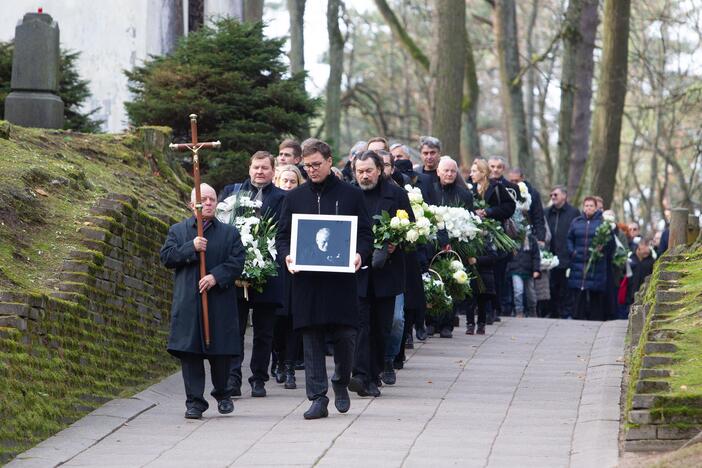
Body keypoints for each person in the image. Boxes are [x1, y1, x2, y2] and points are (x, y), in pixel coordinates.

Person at [276, 138, 373, 420]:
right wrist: (287, 257)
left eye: (316, 164)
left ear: (330, 161)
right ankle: (317, 397)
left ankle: (341, 381)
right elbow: (283, 236)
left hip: (342, 281)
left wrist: (359, 255)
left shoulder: (352, 195)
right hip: (307, 281)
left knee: (345, 337)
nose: (312, 170)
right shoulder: (294, 197)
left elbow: (366, 234)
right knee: (312, 337)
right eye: (307, 166)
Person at [160, 184, 246, 419]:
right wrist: (191, 247)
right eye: (202, 200)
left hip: (218, 301)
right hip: (189, 302)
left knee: (220, 353)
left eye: (211, 199)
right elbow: (167, 257)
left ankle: (223, 393)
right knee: (191, 354)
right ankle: (195, 402)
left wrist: (215, 277)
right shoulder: (178, 231)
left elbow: (237, 262)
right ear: (191, 205)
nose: (208, 203)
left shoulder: (229, 233)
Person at [221, 151, 287, 398]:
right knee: (234, 328)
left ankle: (258, 378)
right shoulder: (232, 192)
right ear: (249, 168)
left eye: (265, 168)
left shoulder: (282, 198)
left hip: (268, 272)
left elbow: (283, 231)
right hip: (236, 270)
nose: (260, 172)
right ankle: (232, 378)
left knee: (264, 331)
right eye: (256, 167)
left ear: (273, 171)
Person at [351, 150, 412, 396]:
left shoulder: (396, 194)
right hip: (358, 272)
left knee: (381, 327)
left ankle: (373, 374)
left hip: (387, 273)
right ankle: (360, 375)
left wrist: (397, 242)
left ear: (380, 170)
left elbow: (411, 230)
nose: (364, 176)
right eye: (359, 172)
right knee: (360, 325)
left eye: (368, 171)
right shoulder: (350, 194)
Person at [271, 164, 304, 390]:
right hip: (277, 266)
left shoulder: (303, 203)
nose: (289, 185)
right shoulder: (274, 202)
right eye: (286, 181)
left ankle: (290, 366)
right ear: (278, 182)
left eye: (293, 181)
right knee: (277, 319)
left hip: (299, 267)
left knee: (294, 319)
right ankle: (278, 360)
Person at [470, 159, 516, 324]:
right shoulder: (469, 188)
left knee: (495, 274)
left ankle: (493, 309)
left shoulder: (496, 187)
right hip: (476, 236)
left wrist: (489, 212)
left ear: (482, 173)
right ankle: (480, 309)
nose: (471, 174)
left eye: (475, 171)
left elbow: (510, 207)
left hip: (494, 236)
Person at [435, 156, 474, 338]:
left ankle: (447, 325)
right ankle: (431, 321)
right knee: (433, 281)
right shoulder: (430, 190)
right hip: (433, 243)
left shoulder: (464, 194)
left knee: (451, 283)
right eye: (446, 170)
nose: (449, 174)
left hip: (455, 244)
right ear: (438, 172)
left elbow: (469, 220)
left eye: (452, 171)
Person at [567, 196, 614, 321]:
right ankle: (578, 317)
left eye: (591, 206)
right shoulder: (576, 222)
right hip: (579, 262)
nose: (588, 208)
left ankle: (595, 319)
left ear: (596, 207)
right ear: (583, 207)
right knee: (579, 291)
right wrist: (573, 252)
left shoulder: (603, 223)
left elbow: (610, 242)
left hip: (595, 263)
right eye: (586, 205)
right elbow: (569, 238)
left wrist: (602, 248)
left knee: (595, 292)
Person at [487, 156, 521, 318]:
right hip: (482, 234)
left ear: (503, 168)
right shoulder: (479, 183)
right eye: (492, 166)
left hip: (501, 235)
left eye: (499, 167)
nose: (495, 170)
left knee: (500, 274)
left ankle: (497, 307)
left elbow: (513, 210)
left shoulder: (510, 187)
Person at [544, 186, 580, 319]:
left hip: (567, 257)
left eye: (555, 195)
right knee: (552, 287)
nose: (553, 197)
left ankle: (566, 313)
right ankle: (553, 312)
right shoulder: (547, 212)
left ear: (564, 196)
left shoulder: (574, 212)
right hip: (550, 257)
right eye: (551, 195)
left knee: (566, 287)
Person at [507, 168, 546, 244]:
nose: (514, 184)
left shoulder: (532, 193)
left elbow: (538, 216)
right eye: (512, 181)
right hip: (510, 233)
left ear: (522, 179)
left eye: (517, 181)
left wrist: (540, 238)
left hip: (528, 232)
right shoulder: (506, 191)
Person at [507, 231, 541, 318]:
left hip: (529, 270)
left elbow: (536, 256)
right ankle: (519, 311)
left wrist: (536, 270)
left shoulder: (531, 239)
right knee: (518, 290)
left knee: (531, 293)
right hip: (516, 269)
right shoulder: (513, 239)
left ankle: (532, 310)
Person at [625, 239, 655, 310]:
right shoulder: (631, 259)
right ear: (638, 249)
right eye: (643, 250)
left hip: (644, 291)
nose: (646, 253)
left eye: (647, 251)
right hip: (631, 291)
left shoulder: (651, 261)